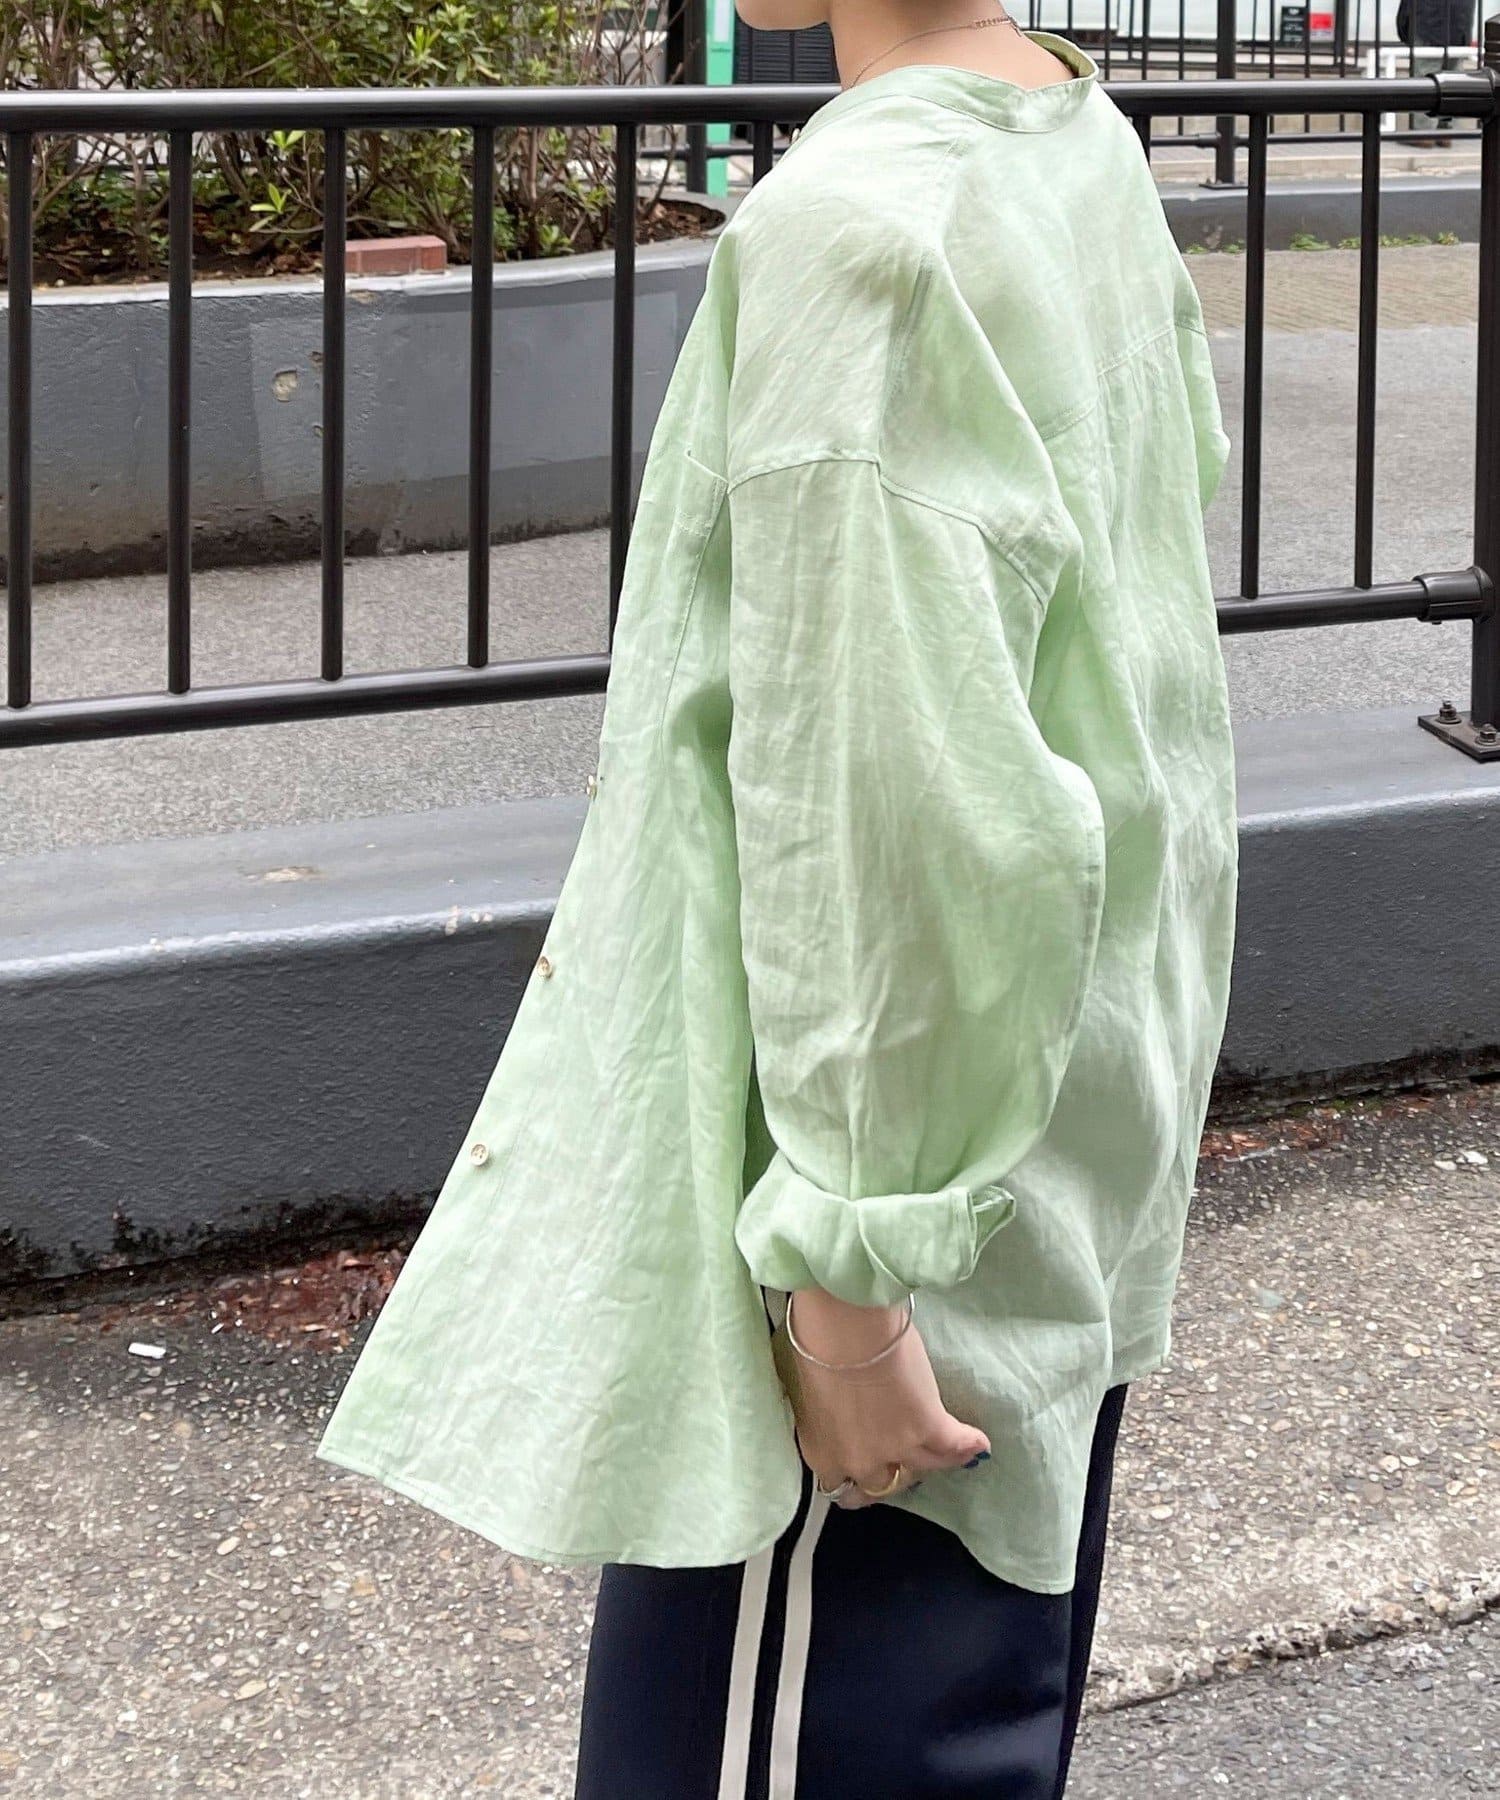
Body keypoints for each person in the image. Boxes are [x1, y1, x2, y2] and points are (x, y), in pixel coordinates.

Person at [315, 1, 1239, 1793]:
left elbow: (885, 802)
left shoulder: (862, 227)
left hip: (895, 1245)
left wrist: (851, 1287)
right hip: (1061, 1132)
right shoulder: (1064, 125)